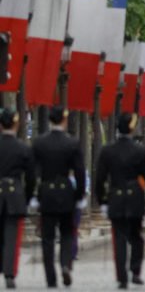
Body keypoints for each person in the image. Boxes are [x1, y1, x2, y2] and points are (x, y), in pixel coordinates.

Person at [94, 112, 145, 289]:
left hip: (116, 197)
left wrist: (102, 201)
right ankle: (135, 271)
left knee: (119, 239)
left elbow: (100, 179)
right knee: (136, 237)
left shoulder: (108, 151)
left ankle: (122, 277)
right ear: (132, 128)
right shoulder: (139, 150)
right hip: (135, 197)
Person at [32, 107, 86, 289]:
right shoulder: (72, 143)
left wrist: (34, 194)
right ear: (64, 120)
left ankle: (51, 278)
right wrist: (79, 195)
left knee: (47, 238)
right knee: (67, 233)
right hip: (66, 192)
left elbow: (32, 172)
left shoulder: (39, 143)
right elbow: (79, 171)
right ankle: (65, 264)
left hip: (46, 192)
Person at [0, 109, 35, 289]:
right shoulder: (23, 148)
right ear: (16, 124)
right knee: (11, 236)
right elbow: (31, 178)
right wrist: (26, 198)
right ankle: (9, 273)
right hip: (15, 194)